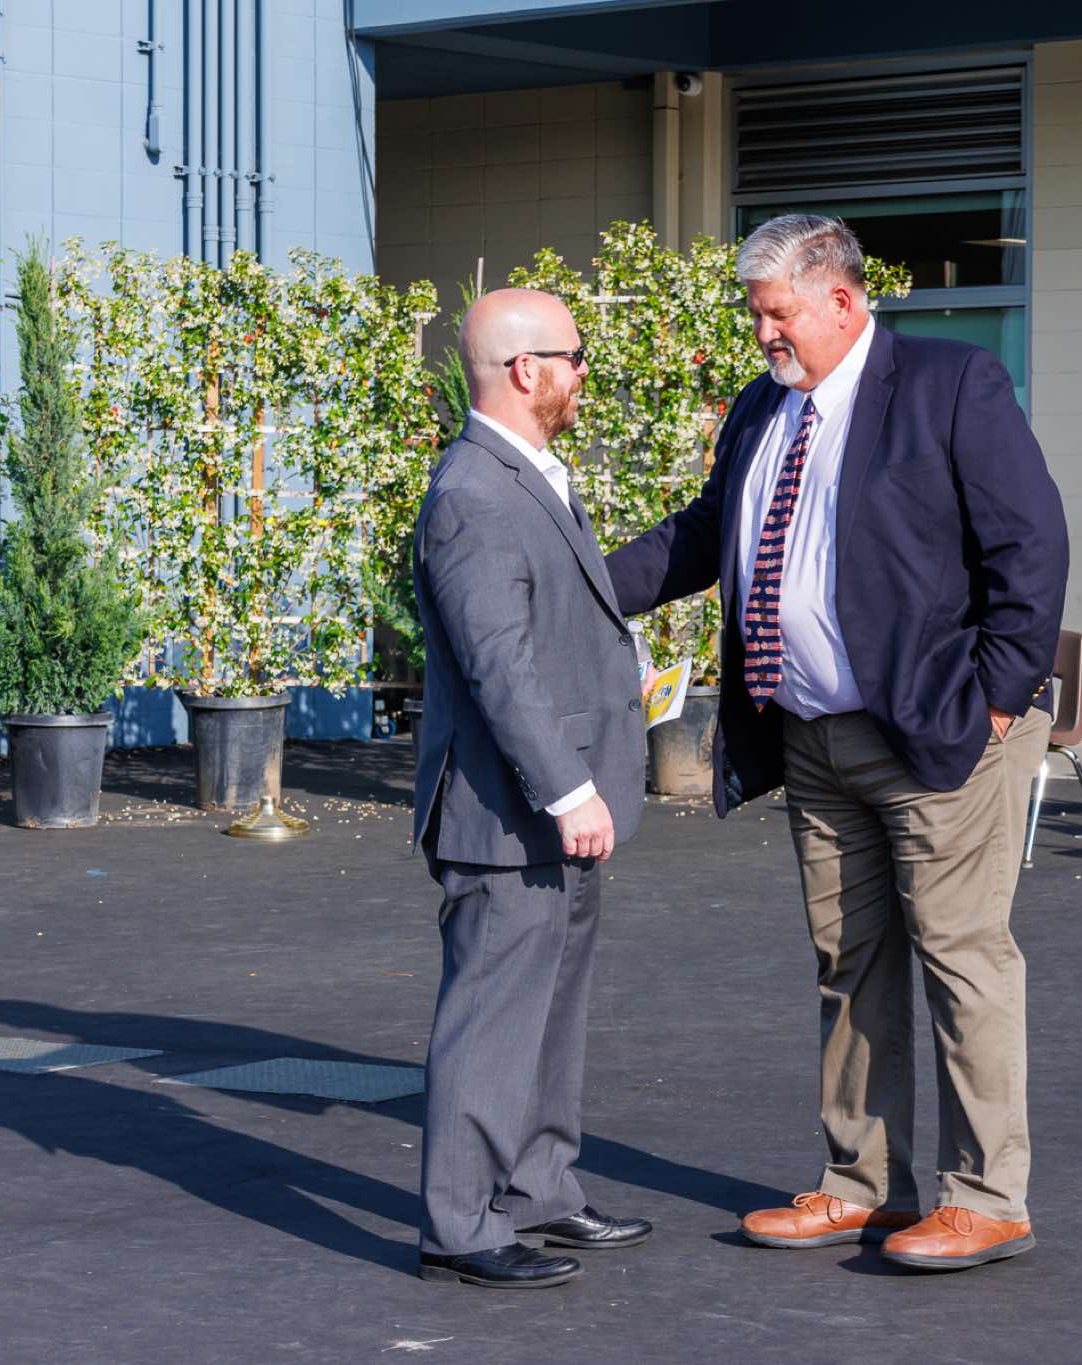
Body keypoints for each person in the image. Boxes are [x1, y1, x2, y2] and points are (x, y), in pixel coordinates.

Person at [605, 215, 1069, 1273]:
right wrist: (583, 577)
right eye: (756, 315)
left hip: (937, 732)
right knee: (848, 963)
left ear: (843, 300)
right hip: (812, 738)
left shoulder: (950, 385)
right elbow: (704, 534)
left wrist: (996, 702)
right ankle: (861, 1186)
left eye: (777, 314)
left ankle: (987, 1199)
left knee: (960, 957)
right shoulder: (762, 408)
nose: (762, 333)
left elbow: (1030, 545)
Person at [410, 287, 652, 1289]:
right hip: (510, 814)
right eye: (576, 357)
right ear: (527, 370)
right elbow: (496, 665)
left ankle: (540, 1191)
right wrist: (566, 789)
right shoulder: (473, 491)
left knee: (550, 1011)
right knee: (492, 1019)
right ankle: (462, 1229)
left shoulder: (530, 475)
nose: (584, 374)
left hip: (550, 809)